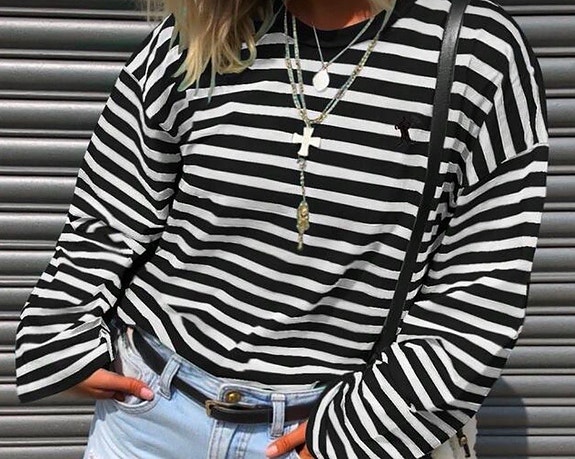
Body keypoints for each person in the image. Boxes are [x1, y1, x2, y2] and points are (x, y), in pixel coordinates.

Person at [15, 0, 549, 457]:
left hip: (325, 430)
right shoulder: (203, 30)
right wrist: (59, 333)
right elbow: (110, 206)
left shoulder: (475, 49)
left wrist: (359, 433)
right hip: (152, 414)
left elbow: (481, 289)